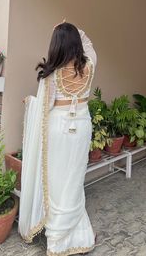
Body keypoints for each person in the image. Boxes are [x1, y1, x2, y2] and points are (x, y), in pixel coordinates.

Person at [19, 21, 97, 256]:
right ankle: (78, 235)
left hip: (59, 130)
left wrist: (29, 103)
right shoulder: (90, 66)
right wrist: (71, 28)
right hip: (82, 127)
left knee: (57, 181)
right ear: (76, 43)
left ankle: (58, 241)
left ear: (55, 46)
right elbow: (89, 43)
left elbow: (45, 108)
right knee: (74, 179)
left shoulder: (50, 75)